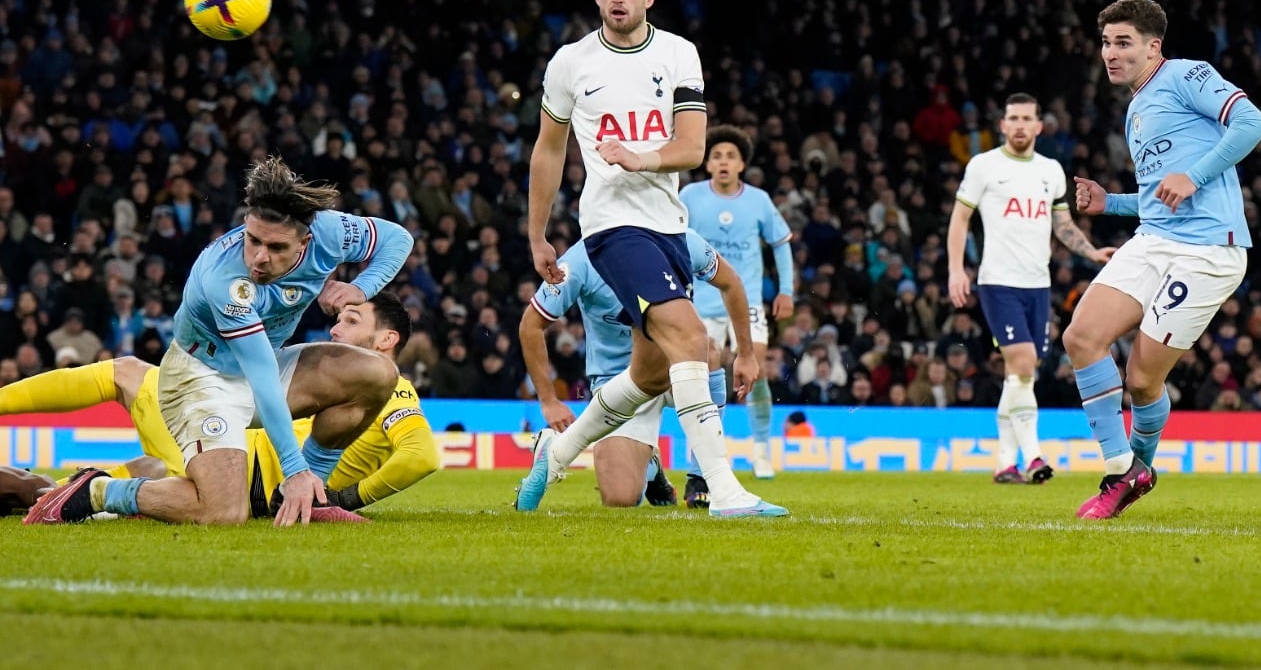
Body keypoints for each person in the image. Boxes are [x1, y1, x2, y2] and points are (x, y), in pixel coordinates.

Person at [519, 0, 784, 517]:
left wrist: (637, 158)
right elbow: (549, 148)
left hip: (669, 223)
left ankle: (558, 450)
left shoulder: (678, 53)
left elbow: (691, 148)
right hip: (613, 227)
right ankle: (723, 489)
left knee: (650, 368)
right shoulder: (570, 62)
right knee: (692, 341)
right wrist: (537, 232)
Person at [25, 157, 413, 527]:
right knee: (224, 513)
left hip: (265, 363)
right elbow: (260, 374)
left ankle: (310, 493)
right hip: (201, 379)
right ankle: (98, 491)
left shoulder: (330, 232)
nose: (260, 258)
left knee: (378, 372)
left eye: (276, 248)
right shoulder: (225, 282)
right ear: (246, 223)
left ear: (304, 242)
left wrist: (360, 287)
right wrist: (292, 467)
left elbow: (397, 239)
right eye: (253, 239)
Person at [1068, 0, 1261, 519]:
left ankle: (1139, 466)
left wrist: (1196, 175)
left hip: (1208, 251)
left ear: (1153, 47)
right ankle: (1122, 470)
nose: (1110, 53)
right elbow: (1164, 194)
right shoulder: (1137, 107)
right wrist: (1109, 202)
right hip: (1153, 238)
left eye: (1124, 43)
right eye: (1107, 43)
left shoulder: (1185, 74)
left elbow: (1252, 124)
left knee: (1141, 381)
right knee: (1081, 337)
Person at [3, 291, 438, 519]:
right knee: (58, 493)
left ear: (386, 341)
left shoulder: (391, 385)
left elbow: (421, 457)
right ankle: (39, 491)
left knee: (126, 373)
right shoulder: (339, 384)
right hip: (230, 462)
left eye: (352, 320)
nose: (336, 327)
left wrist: (346, 498)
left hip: (233, 468)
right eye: (339, 317)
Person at [521, 230, 757, 508]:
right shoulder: (581, 260)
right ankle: (650, 466)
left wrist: (746, 353)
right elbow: (530, 325)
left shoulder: (680, 238)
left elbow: (731, 282)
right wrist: (548, 401)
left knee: (709, 348)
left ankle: (700, 476)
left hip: (672, 368)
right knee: (620, 498)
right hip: (616, 383)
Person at [947, 93, 1114, 485]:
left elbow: (1062, 224)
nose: (1020, 125)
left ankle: (1005, 463)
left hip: (1038, 285)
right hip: (998, 282)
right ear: (1002, 125)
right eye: (1013, 119)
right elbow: (959, 220)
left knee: (1021, 375)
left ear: (1039, 126)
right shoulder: (984, 166)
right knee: (1022, 363)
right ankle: (1034, 457)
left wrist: (1090, 252)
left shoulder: (1051, 171)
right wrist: (956, 270)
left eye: (1027, 119)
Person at [680, 124, 794, 482]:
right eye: (717, 156)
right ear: (707, 163)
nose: (724, 162)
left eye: (731, 156)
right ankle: (704, 455)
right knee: (699, 380)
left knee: (755, 371)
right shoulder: (690, 196)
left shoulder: (759, 200)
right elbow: (673, 241)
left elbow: (781, 243)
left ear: (742, 164)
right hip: (702, 300)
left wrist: (786, 289)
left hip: (747, 304)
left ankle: (761, 453)